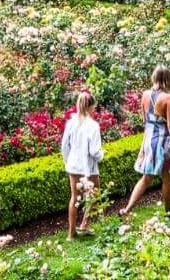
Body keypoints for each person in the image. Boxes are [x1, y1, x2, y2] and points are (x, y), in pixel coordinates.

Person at [119, 65, 170, 217]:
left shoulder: (145, 95)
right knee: (167, 180)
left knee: (146, 178)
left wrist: (142, 148)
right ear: (168, 79)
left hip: (149, 141)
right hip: (164, 142)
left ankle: (127, 209)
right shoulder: (169, 98)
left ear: (154, 77)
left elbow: (146, 123)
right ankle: (168, 214)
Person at [61, 91, 104, 240]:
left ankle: (71, 233)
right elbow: (94, 151)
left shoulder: (71, 123)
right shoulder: (93, 126)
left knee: (75, 198)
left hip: (73, 165)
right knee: (94, 194)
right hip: (88, 166)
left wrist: (68, 161)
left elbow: (64, 146)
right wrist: (102, 155)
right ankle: (84, 224)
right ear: (91, 107)